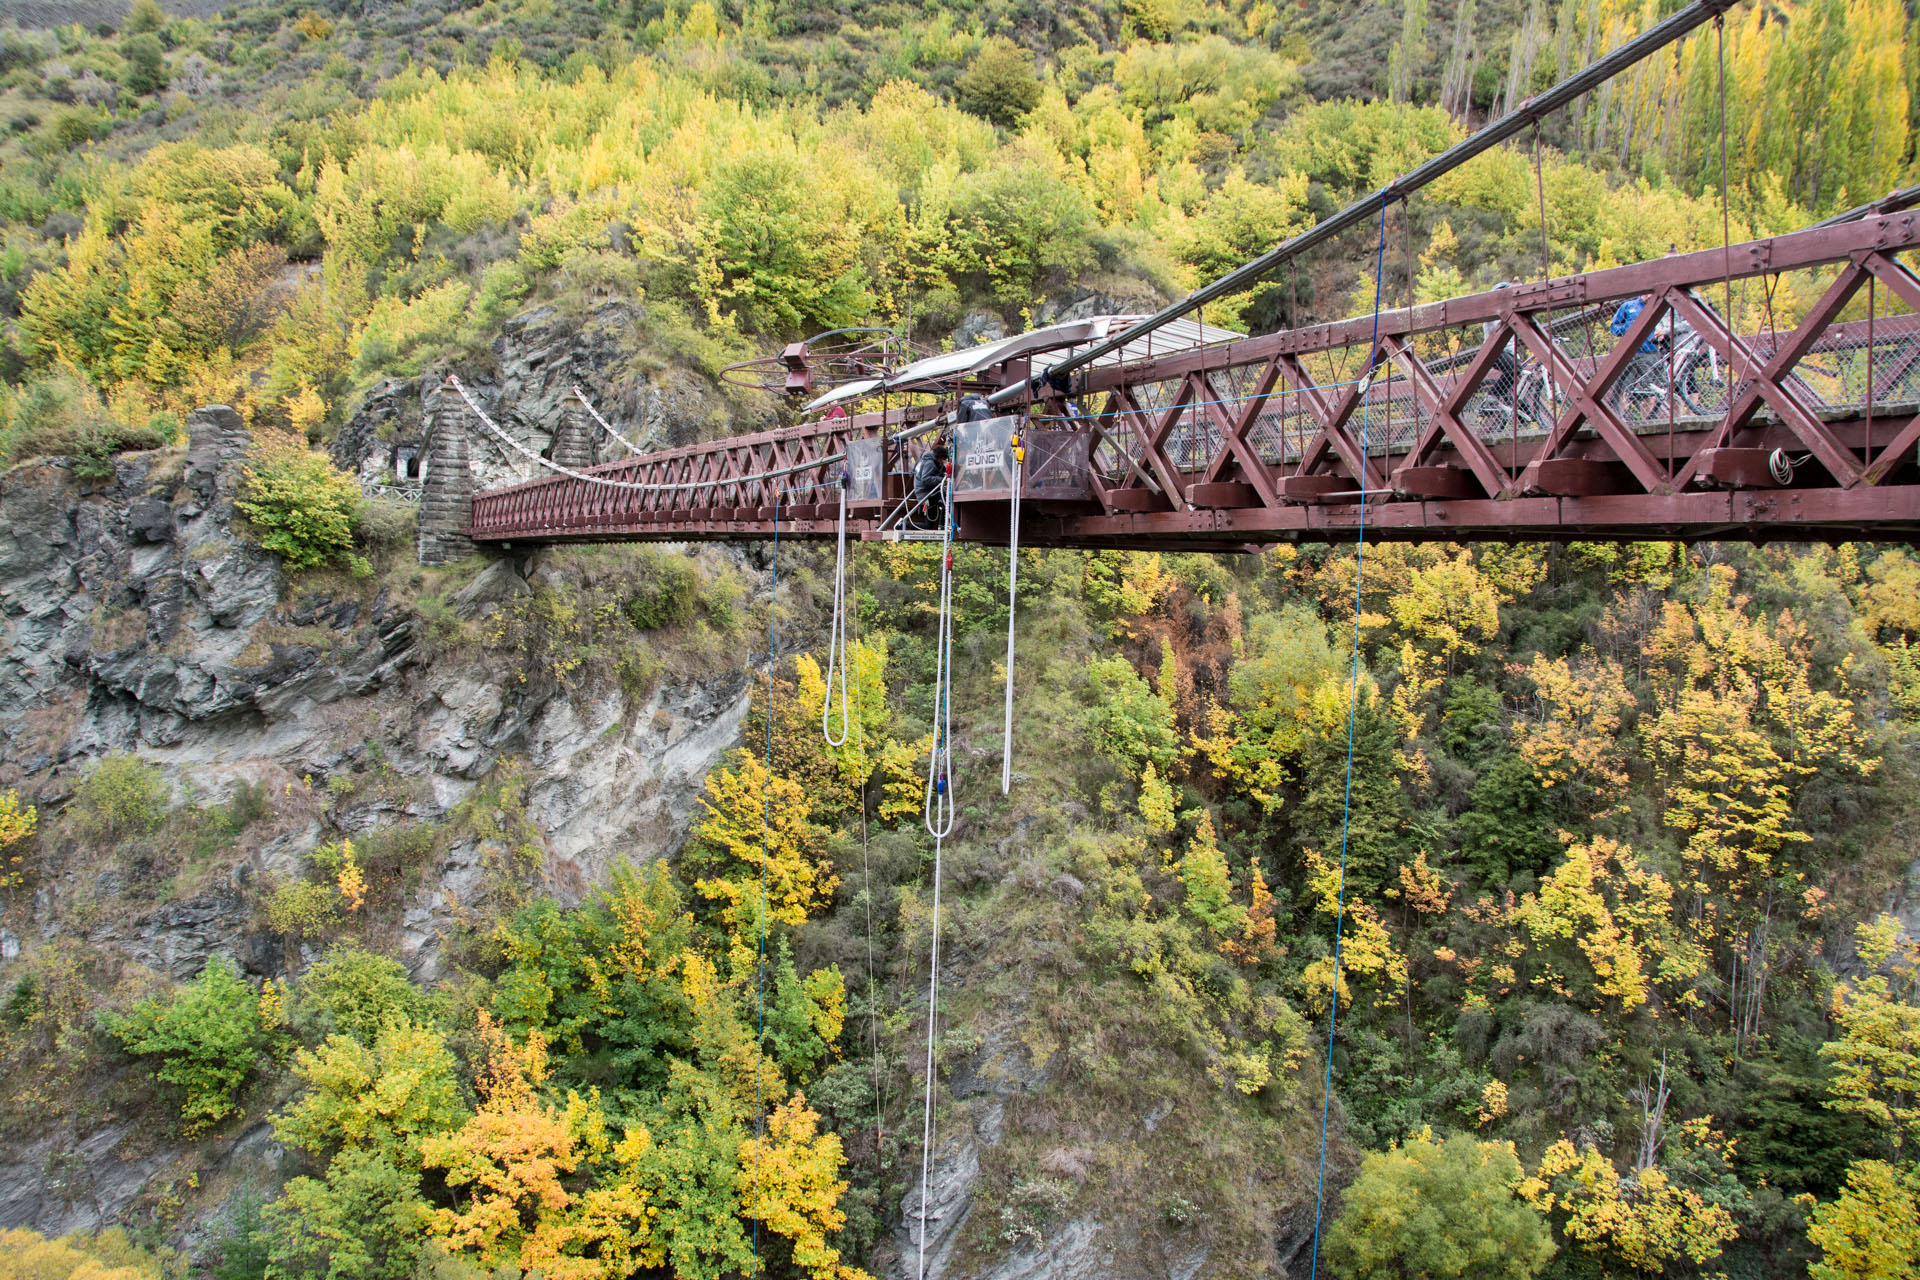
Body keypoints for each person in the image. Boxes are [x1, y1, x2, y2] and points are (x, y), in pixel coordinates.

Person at [907, 439, 949, 530]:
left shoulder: (923, 460)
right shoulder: (930, 463)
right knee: (946, 499)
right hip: (926, 494)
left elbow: (913, 472)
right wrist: (942, 480)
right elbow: (925, 479)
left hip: (922, 493)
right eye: (943, 460)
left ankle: (905, 525)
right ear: (939, 457)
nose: (943, 462)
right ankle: (942, 526)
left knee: (928, 526)